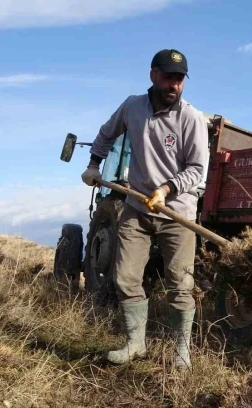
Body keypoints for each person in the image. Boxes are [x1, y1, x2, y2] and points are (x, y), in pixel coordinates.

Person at [80, 49, 209, 371]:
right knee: (125, 277)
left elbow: (197, 169)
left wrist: (166, 190)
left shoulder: (192, 118)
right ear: (153, 75)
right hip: (136, 207)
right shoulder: (132, 106)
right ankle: (135, 344)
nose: (174, 85)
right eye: (168, 77)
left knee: (180, 283)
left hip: (177, 213)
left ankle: (182, 351)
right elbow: (106, 134)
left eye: (179, 79)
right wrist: (94, 164)